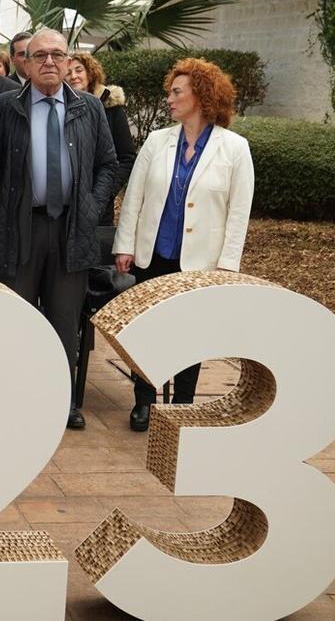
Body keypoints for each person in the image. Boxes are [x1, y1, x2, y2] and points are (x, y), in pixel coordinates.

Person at [0, 29, 118, 430]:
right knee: (17, 318)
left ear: (67, 61)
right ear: (23, 61)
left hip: (70, 229)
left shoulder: (90, 108)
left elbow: (108, 165)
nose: (48, 62)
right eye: (39, 54)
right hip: (19, 227)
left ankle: (59, 400)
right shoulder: (3, 106)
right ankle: (11, 396)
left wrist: (91, 206)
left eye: (57, 55)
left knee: (63, 319)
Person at [113, 58, 254, 431]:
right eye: (170, 93)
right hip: (153, 255)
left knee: (191, 336)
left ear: (202, 96)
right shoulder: (158, 142)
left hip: (201, 264)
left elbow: (239, 213)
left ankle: (182, 406)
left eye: (177, 92)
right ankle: (144, 400)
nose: (170, 100)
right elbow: (134, 198)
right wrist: (124, 244)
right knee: (148, 332)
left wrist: (227, 267)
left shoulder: (235, 148)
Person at [66, 51, 136, 225]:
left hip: (99, 206)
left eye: (79, 70)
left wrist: (104, 193)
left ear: (90, 73)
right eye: (68, 72)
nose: (73, 76)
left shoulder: (111, 108)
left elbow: (126, 158)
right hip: (65, 205)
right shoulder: (58, 108)